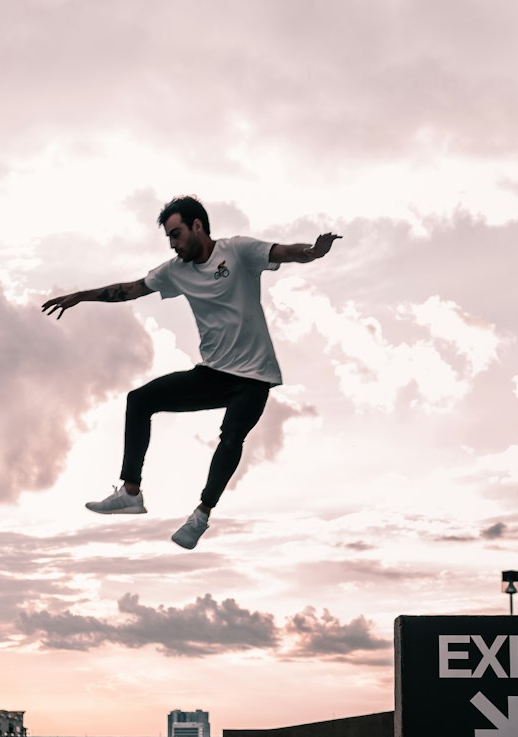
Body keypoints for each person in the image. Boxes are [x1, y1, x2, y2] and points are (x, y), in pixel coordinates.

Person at [41, 196, 341, 549]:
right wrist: (81, 296)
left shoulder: (238, 251)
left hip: (255, 377)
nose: (173, 243)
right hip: (212, 374)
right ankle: (131, 492)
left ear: (198, 226)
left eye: (177, 234)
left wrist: (312, 252)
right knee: (140, 400)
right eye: (169, 237)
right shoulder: (175, 270)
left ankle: (201, 515)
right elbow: (131, 290)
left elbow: (282, 252)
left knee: (231, 438)